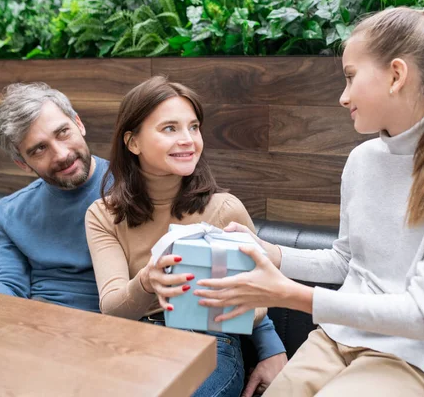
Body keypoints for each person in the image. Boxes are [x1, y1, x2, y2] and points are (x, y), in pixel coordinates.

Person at [193, 5, 424, 397]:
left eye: (350, 77)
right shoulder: (363, 160)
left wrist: (286, 293)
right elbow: (347, 260)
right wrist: (270, 252)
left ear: (396, 75)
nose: (343, 97)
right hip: (340, 339)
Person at [85, 76, 287, 397]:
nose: (188, 139)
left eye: (193, 127)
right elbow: (111, 308)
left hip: (208, 343)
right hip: (131, 341)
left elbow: (264, 300)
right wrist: (147, 282)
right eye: (170, 129)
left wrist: (232, 303)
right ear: (133, 142)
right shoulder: (103, 214)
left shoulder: (224, 209)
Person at [0, 83, 109, 313]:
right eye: (39, 149)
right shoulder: (10, 212)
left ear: (78, 124)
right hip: (38, 322)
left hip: (120, 323)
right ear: (22, 164)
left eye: (63, 132)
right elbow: (6, 280)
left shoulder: (135, 187)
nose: (62, 155)